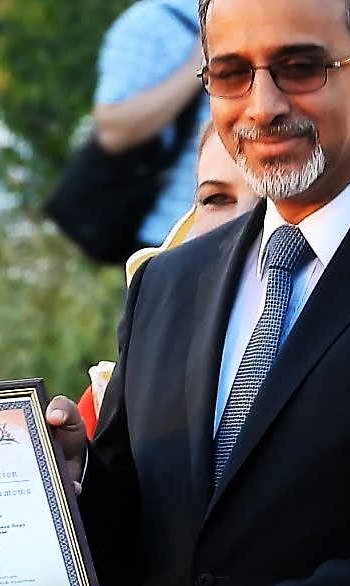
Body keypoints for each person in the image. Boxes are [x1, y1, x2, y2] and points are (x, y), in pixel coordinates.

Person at [48, 0, 350, 583]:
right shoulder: (167, 284)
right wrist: (74, 485)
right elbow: (146, 531)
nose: (262, 105)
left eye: (300, 68)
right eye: (231, 73)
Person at [78, 122, 259, 437]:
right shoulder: (110, 396)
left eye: (272, 199)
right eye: (216, 199)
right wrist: (77, 459)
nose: (242, 222)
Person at [93, 0, 209, 249]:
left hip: (263, 237)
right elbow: (113, 130)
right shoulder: (154, 22)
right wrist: (199, 66)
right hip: (171, 239)